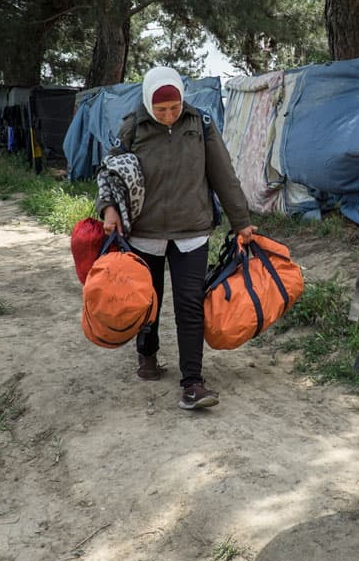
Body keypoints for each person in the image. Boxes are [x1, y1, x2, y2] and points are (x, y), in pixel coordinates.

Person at [97, 66, 255, 410]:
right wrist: (108, 209)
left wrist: (241, 221)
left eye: (174, 108)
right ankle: (147, 355)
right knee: (147, 303)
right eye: (161, 110)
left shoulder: (200, 124)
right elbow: (108, 173)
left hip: (191, 232)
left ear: (183, 99)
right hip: (144, 233)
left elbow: (223, 175)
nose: (168, 116)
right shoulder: (133, 126)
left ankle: (193, 382)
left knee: (190, 305)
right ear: (147, 103)